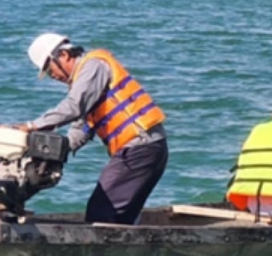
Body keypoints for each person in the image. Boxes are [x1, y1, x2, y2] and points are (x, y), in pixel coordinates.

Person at [18, 32, 168, 224]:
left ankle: (101, 252)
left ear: (63, 56)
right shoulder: (84, 83)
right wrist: (51, 152)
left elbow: (74, 106)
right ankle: (127, 251)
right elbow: (80, 130)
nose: (52, 76)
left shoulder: (93, 65)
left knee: (101, 211)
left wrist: (32, 126)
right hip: (145, 150)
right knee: (118, 217)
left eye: (49, 69)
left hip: (140, 149)